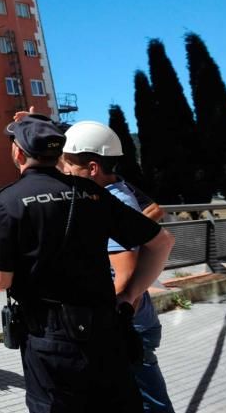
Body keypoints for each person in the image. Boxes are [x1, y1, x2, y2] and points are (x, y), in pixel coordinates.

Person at [0, 114, 175, 413]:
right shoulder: (93, 193)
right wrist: (129, 296)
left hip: (49, 338)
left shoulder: (9, 200)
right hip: (104, 330)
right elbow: (162, 242)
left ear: (18, 153)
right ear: (57, 153)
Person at [61, 121, 175, 412]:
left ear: (93, 168)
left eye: (71, 165)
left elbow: (124, 277)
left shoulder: (111, 203)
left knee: (149, 402)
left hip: (129, 325)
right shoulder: (117, 190)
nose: (66, 172)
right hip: (132, 323)